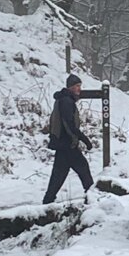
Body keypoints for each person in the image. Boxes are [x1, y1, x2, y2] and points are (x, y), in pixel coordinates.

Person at [43, 74, 94, 204]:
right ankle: (93, 197)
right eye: (77, 86)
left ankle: (48, 201)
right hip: (67, 144)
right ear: (70, 87)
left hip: (62, 144)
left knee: (58, 175)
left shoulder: (64, 99)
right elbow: (69, 124)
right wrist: (83, 139)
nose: (79, 89)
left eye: (80, 86)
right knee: (83, 169)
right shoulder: (66, 101)